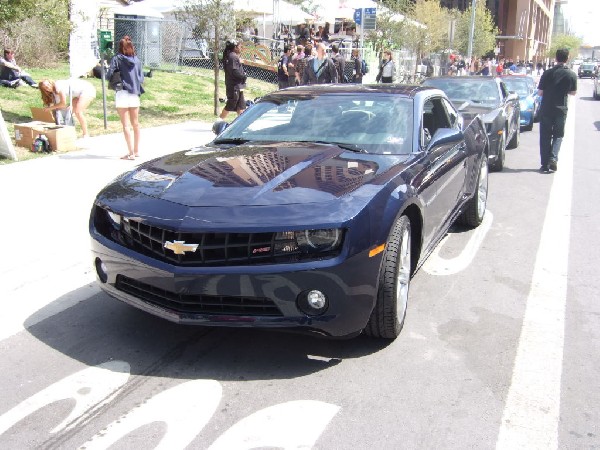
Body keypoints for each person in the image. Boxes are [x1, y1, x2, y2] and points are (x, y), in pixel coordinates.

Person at [537, 48, 577, 173]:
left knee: (545, 136)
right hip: (561, 109)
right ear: (567, 58)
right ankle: (553, 158)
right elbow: (573, 92)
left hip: (546, 108)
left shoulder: (547, 73)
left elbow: (540, 92)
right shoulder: (571, 74)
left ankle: (544, 164)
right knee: (558, 135)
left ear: (556, 58)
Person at [106, 35, 145, 160]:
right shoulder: (137, 60)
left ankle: (130, 152)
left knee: (126, 125)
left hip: (122, 92)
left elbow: (109, 75)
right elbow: (141, 78)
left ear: (120, 47)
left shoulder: (117, 59)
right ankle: (137, 150)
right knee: (136, 124)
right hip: (134, 93)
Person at [219, 40, 247, 120]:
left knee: (241, 105)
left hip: (238, 85)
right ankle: (219, 121)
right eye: (240, 47)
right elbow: (234, 71)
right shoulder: (232, 57)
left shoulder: (232, 56)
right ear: (235, 47)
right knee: (231, 104)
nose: (241, 48)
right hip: (234, 85)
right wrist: (243, 76)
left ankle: (241, 123)